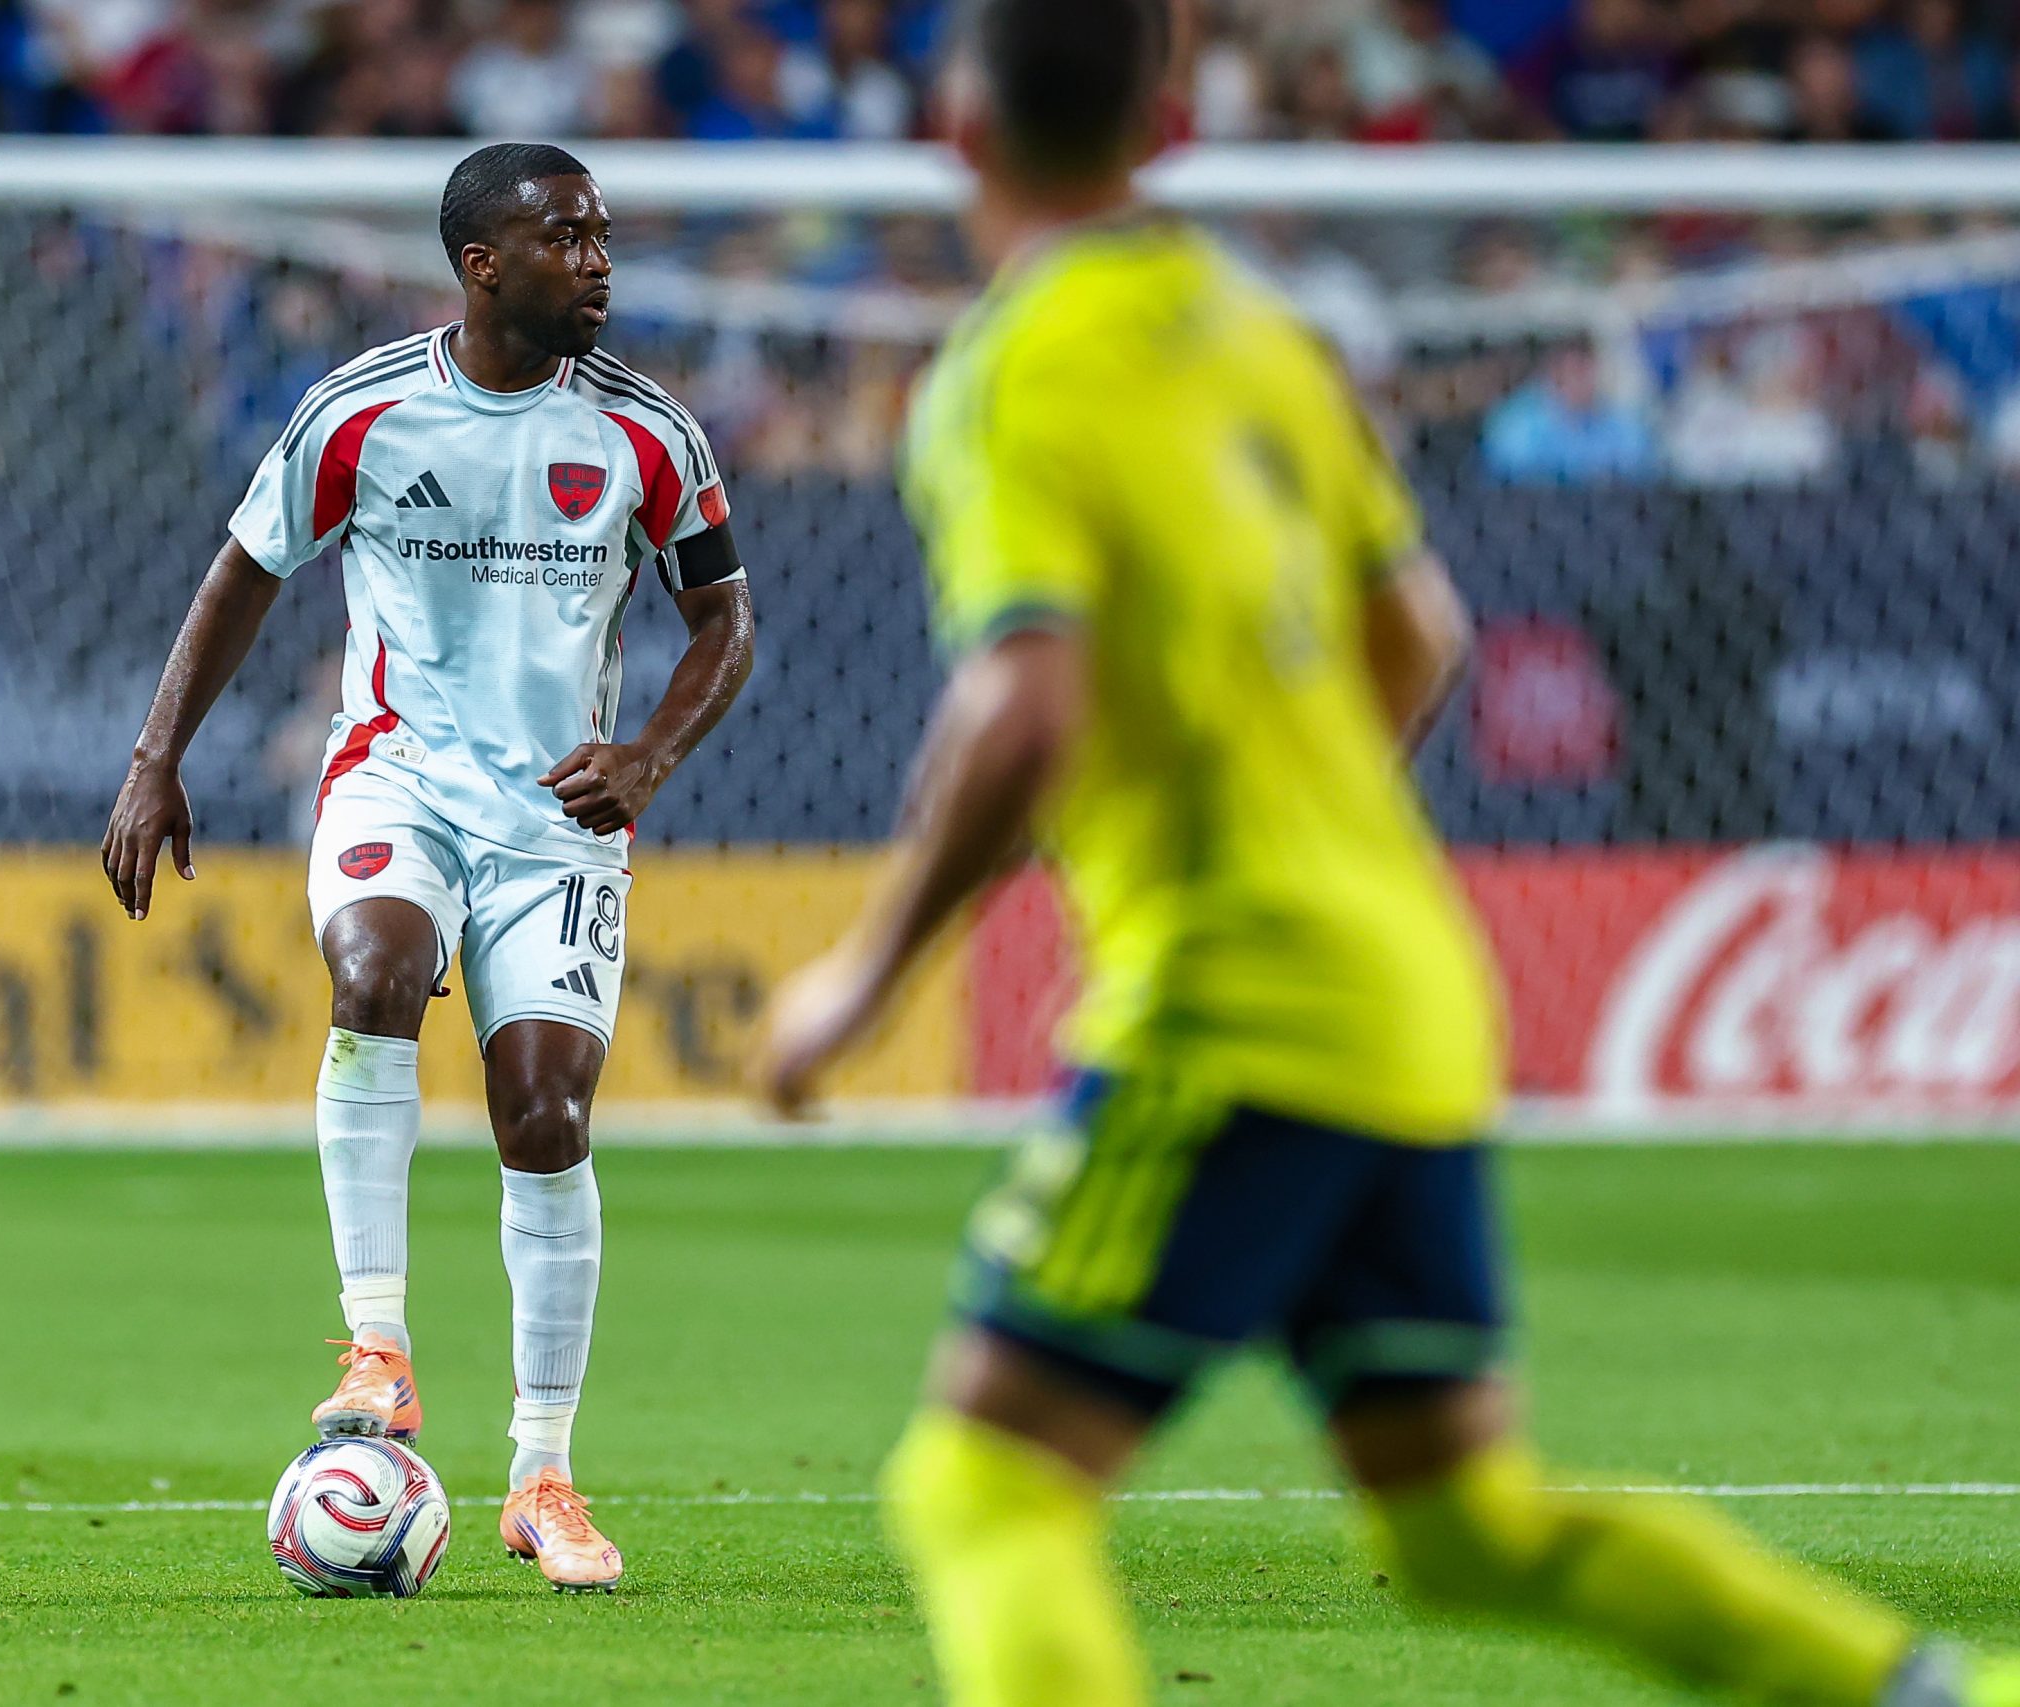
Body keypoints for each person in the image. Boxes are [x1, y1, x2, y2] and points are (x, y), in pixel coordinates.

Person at [753, 2, 2013, 1703]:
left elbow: (1022, 706)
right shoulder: (1264, 337)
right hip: (1406, 980)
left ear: (955, 128)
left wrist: (862, 973)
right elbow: (1422, 630)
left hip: (1241, 1001)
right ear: (1171, 118)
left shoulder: (1006, 373)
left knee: (984, 1485)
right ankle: (1933, 1689)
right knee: (1464, 1522)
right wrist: (1319, 812)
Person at [103, 141, 755, 1595]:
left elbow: (725, 622)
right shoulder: (364, 411)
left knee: (542, 1112)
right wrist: (158, 756)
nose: (599, 261)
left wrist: (645, 757)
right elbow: (246, 571)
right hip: (394, 774)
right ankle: (378, 1347)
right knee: (377, 971)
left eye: (600, 236)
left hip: (559, 819)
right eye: (569, 238)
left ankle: (542, 1476)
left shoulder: (651, 434)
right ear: (485, 265)